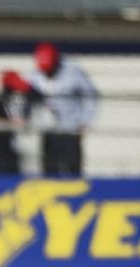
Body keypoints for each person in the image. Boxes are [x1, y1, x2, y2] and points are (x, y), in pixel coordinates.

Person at [26, 42, 97, 176]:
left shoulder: (73, 72)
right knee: (49, 169)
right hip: (49, 130)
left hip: (70, 129)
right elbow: (28, 98)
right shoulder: (35, 75)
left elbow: (90, 96)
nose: (47, 73)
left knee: (73, 168)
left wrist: (85, 121)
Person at [0, 70, 32, 176]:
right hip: (1, 145)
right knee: (2, 172)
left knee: (13, 171)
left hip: (12, 145)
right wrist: (10, 124)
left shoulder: (15, 101)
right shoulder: (0, 101)